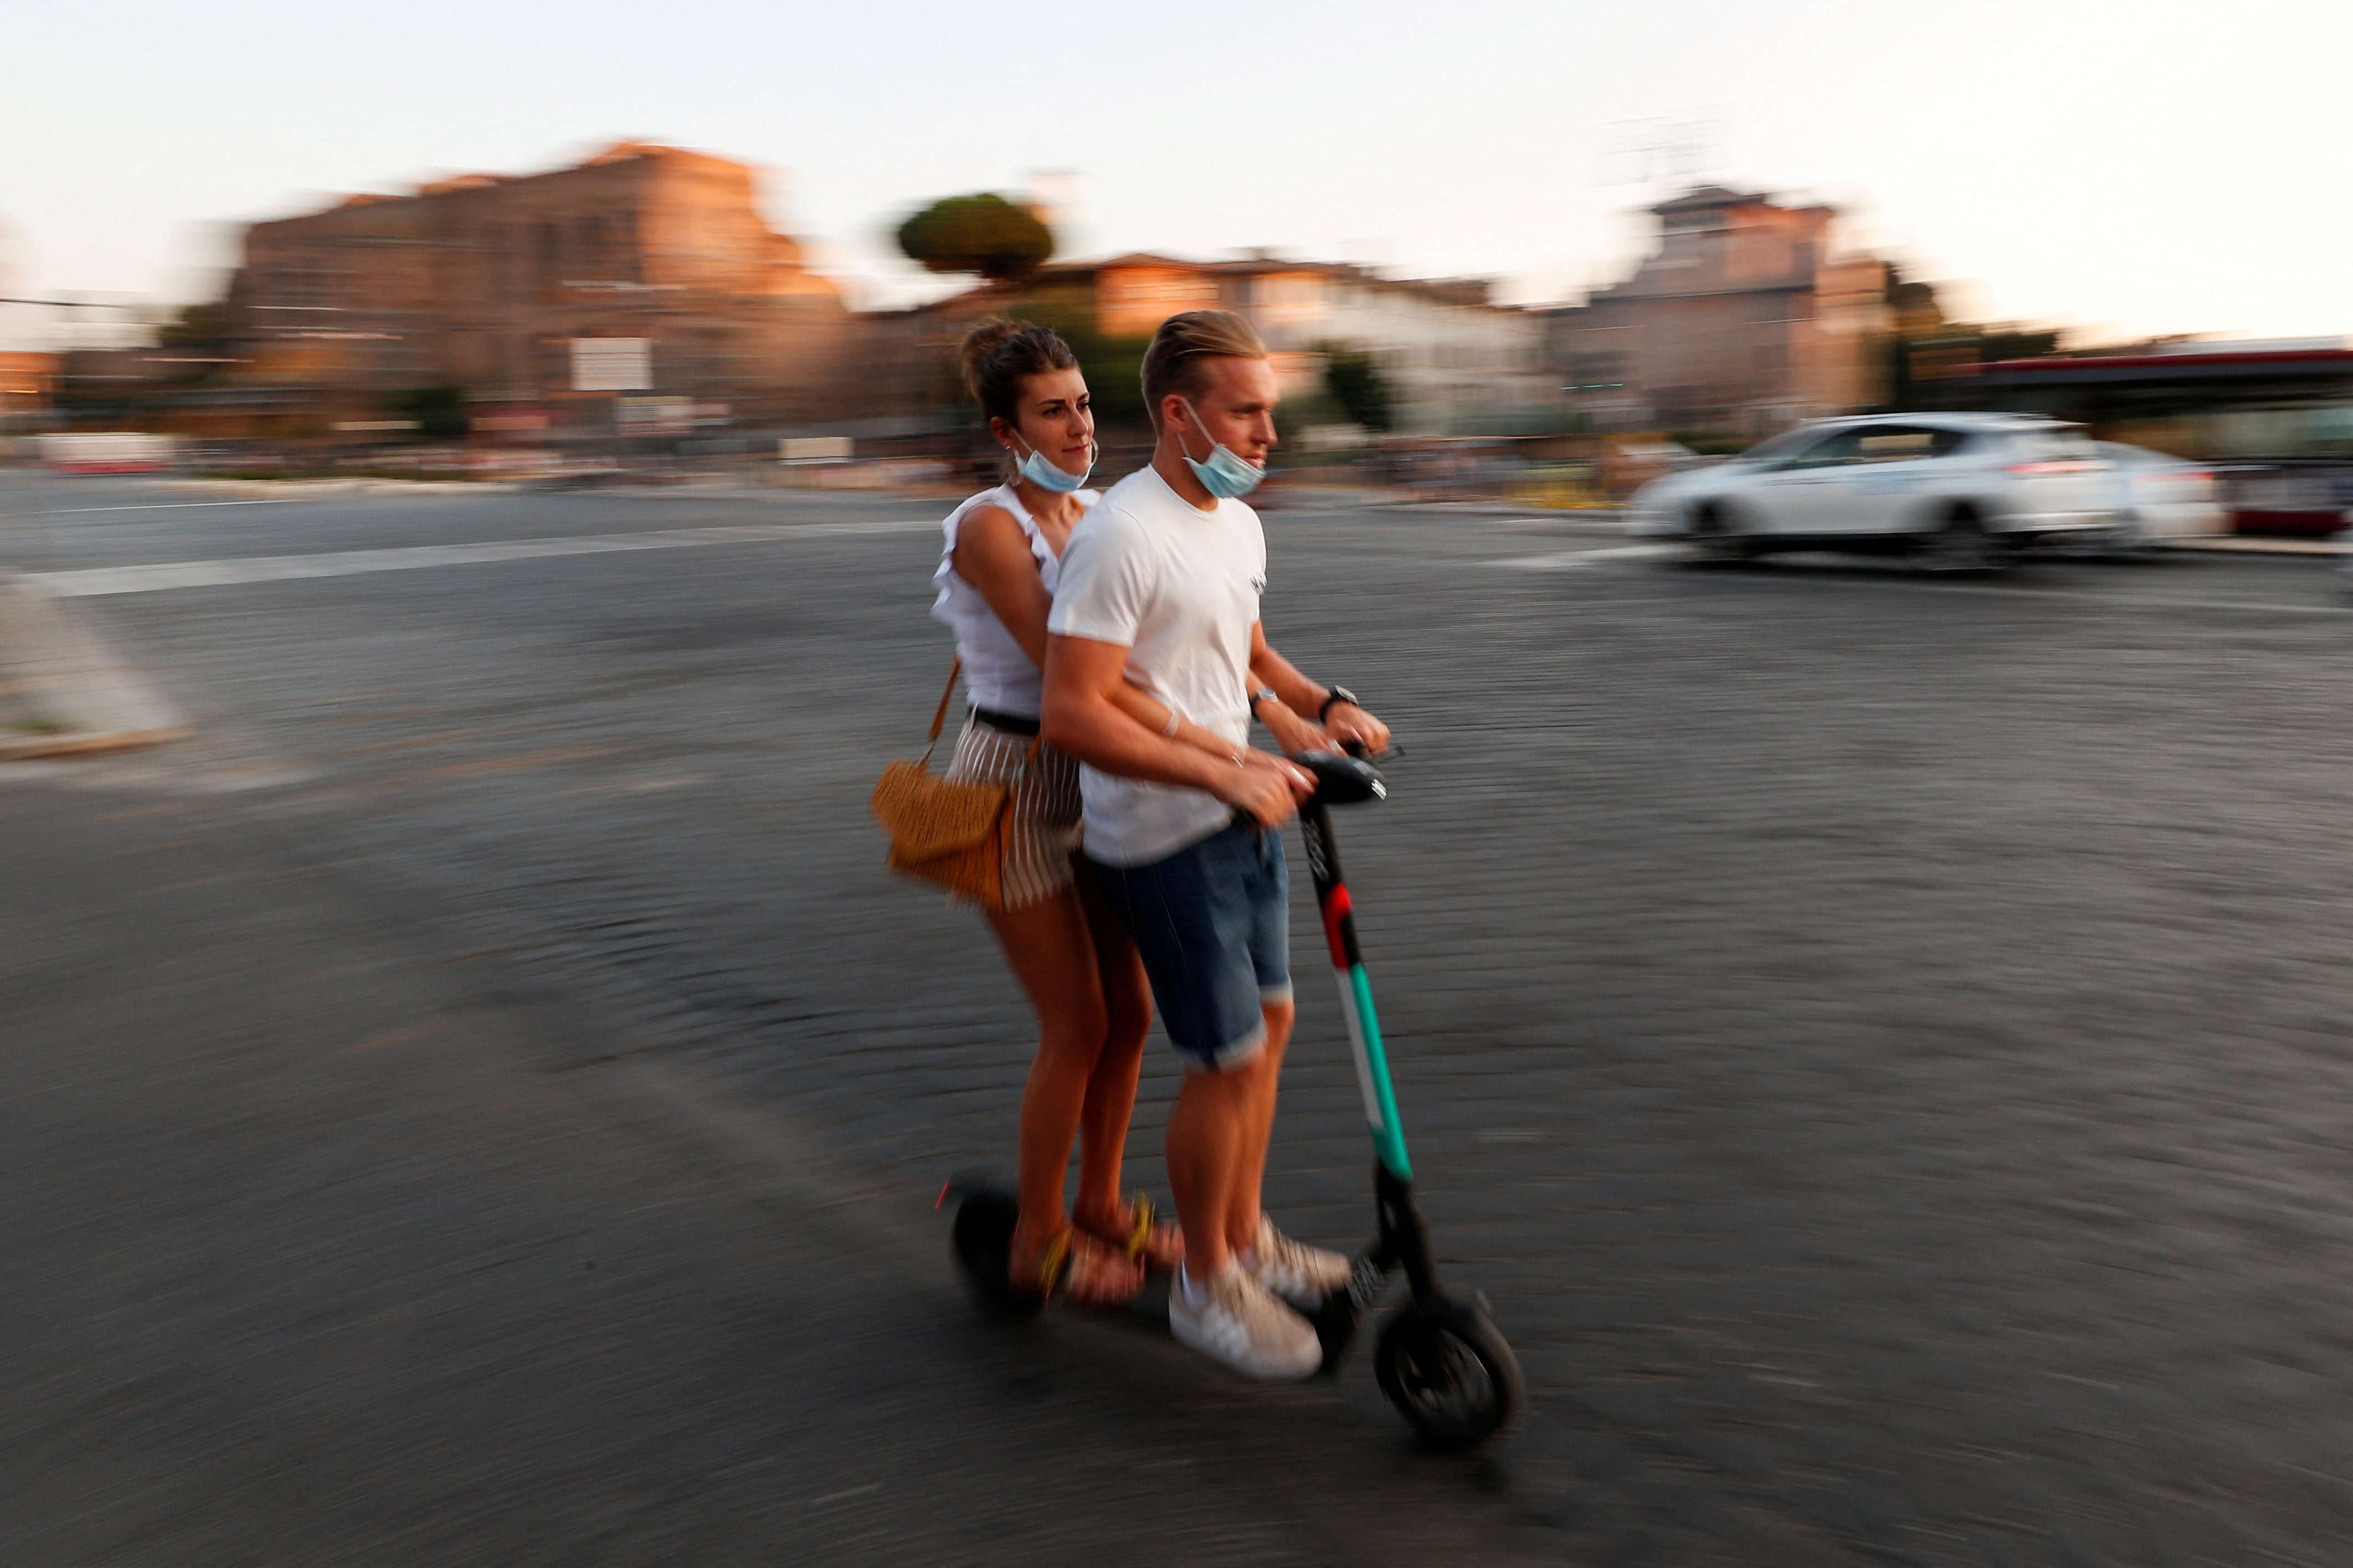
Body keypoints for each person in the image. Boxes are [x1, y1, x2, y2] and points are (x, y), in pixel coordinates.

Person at [1042, 310, 1392, 1379]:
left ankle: (1239, 1239)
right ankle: (1205, 1291)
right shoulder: (1120, 534)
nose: (1267, 434)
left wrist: (1315, 707)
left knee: (1270, 1031)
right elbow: (1075, 710)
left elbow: (1245, 654)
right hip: (1160, 839)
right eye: (1246, 413)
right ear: (1180, 415)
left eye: (1269, 412)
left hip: (1249, 813)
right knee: (1225, 1059)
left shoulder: (1235, 524)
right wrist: (1219, 771)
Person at [933, 320, 1292, 1306]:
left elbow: (1182, 647)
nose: (1080, 426)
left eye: (1085, 404)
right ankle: (1037, 1238)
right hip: (1014, 787)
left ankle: (1098, 1203)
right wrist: (1216, 751)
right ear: (1006, 431)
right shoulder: (988, 527)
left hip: (1102, 780)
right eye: (1052, 412)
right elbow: (1075, 676)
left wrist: (1271, 712)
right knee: (1078, 1021)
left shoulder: (1098, 512)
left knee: (1131, 1014)